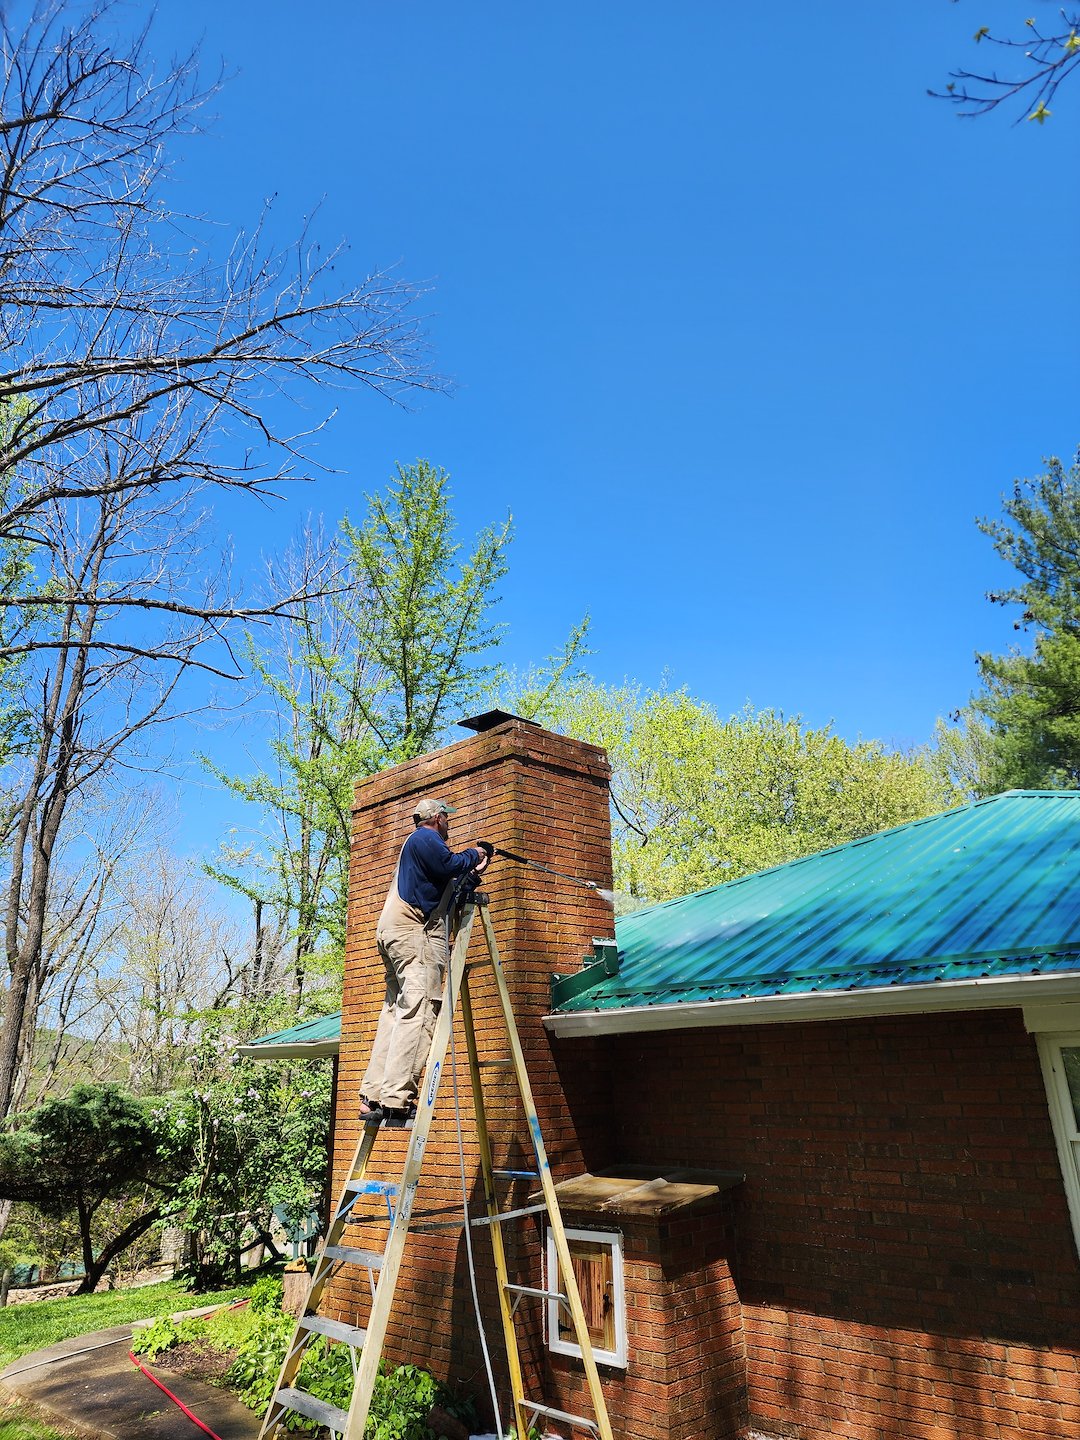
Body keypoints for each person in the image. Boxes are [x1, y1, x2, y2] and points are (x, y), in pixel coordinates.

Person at [359, 797, 492, 1127]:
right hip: (413, 935)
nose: (449, 824)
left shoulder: (417, 855)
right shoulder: (424, 837)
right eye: (448, 818)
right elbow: (450, 865)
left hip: (395, 934)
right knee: (419, 1010)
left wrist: (470, 875)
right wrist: (476, 854)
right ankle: (397, 1100)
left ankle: (374, 1096)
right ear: (439, 818)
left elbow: (449, 885)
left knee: (396, 1012)